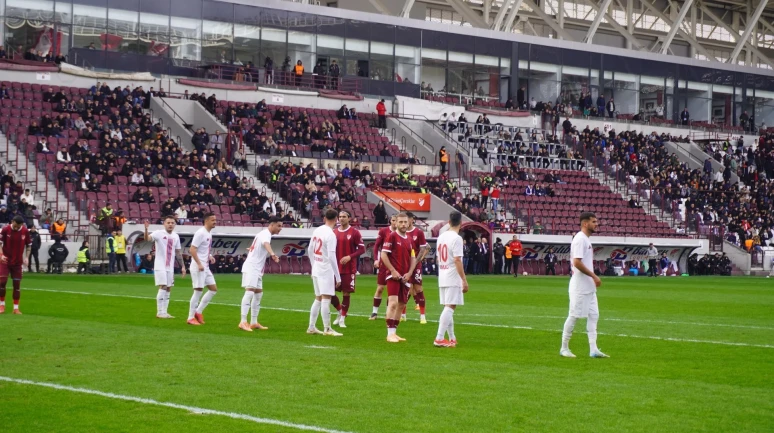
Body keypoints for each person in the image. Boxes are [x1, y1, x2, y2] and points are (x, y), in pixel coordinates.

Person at [560, 212, 608, 359]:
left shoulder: (585, 239)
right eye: (594, 221)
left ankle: (593, 349)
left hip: (588, 286)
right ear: (585, 223)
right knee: (574, 316)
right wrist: (594, 276)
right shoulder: (580, 239)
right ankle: (564, 348)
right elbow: (577, 262)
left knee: (594, 315)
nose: (597, 224)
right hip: (580, 286)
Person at [239, 217, 282, 332]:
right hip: (252, 267)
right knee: (249, 293)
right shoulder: (265, 234)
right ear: (272, 225)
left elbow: (259, 245)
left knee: (258, 294)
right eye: (279, 226)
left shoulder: (263, 234)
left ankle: (253, 322)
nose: (280, 228)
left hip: (257, 269)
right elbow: (266, 243)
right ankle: (243, 321)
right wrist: (272, 254)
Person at [306, 208, 343, 337]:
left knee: (318, 298)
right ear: (336, 219)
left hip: (316, 267)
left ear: (324, 218)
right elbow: (332, 257)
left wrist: (312, 266)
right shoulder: (331, 234)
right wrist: (338, 277)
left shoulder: (318, 230)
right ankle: (327, 329)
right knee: (326, 298)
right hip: (325, 269)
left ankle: (311, 327)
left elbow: (310, 249)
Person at [380, 213, 416, 343]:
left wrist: (410, 272)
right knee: (393, 303)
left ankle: (394, 333)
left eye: (405, 222)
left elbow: (413, 258)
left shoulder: (410, 239)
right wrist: (393, 270)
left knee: (402, 305)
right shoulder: (392, 236)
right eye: (400, 222)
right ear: (396, 223)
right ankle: (389, 334)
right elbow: (383, 254)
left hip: (406, 276)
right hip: (393, 276)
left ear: (409, 222)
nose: (403, 224)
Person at [434, 211, 468, 347]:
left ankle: (452, 337)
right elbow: (457, 260)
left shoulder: (441, 237)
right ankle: (439, 338)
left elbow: (438, 258)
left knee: (448, 306)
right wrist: (464, 280)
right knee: (450, 307)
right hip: (452, 275)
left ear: (449, 222)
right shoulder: (457, 238)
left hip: (442, 274)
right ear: (461, 223)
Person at [145, 217, 186, 319]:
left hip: (170, 267)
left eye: (172, 223)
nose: (170, 224)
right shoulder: (159, 233)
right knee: (163, 286)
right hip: (160, 265)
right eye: (168, 222)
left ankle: (165, 312)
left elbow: (178, 252)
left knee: (168, 288)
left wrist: (183, 266)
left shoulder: (176, 236)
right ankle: (159, 312)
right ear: (164, 224)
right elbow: (147, 239)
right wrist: (146, 229)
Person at [332, 211, 365, 328]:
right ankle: (340, 311)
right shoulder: (334, 232)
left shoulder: (354, 232)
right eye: (340, 217)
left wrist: (349, 256)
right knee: (329, 292)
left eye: (344, 217)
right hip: (334, 268)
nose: (341, 219)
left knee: (346, 293)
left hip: (348, 269)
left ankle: (342, 319)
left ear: (349, 218)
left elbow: (362, 249)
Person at [187, 213, 217, 325]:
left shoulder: (209, 233)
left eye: (215, 220)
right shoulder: (200, 233)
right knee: (198, 291)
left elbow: (202, 249)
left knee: (213, 289)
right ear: (206, 221)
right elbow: (192, 249)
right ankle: (190, 317)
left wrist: (209, 256)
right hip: (198, 267)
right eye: (212, 220)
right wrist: (199, 263)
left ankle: (198, 312)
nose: (215, 222)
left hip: (205, 266)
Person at [0, 216, 31, 314]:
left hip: (17, 262)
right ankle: (2, 306)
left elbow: (28, 246)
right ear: (12, 222)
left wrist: (27, 257)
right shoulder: (5, 230)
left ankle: (16, 308)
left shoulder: (25, 231)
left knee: (17, 284)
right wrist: (1, 255)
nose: (17, 228)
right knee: (2, 282)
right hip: (5, 261)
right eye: (15, 225)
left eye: (19, 226)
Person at [406, 212, 429, 324]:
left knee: (418, 289)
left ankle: (423, 316)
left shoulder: (418, 232)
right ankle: (403, 314)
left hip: (416, 265)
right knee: (406, 290)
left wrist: (415, 262)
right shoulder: (400, 232)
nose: (405, 222)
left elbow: (424, 248)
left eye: (406, 220)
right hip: (404, 265)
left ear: (412, 220)